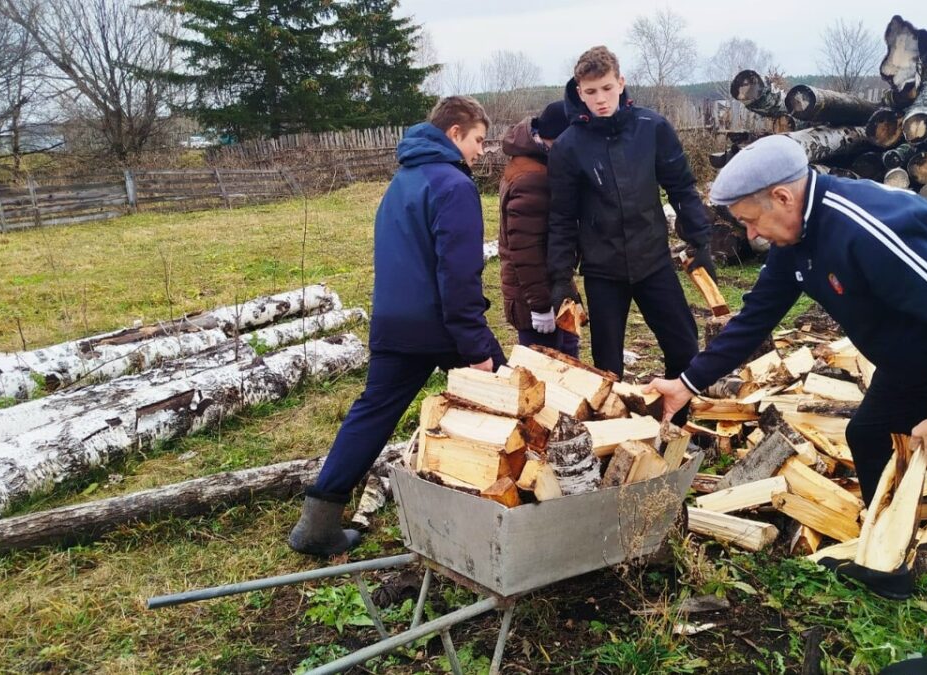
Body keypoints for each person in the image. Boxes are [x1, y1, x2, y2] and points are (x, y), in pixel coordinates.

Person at [646, 135, 927, 675]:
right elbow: (757, 316)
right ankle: (888, 559)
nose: (751, 235)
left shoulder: (869, 228)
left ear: (782, 197)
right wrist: (688, 382)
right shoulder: (796, 238)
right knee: (870, 434)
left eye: (751, 221)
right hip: (917, 356)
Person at [289, 96, 506, 557]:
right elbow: (458, 276)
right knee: (504, 396)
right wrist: (476, 347)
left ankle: (317, 521)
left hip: (394, 320)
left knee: (372, 413)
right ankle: (491, 512)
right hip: (441, 326)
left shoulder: (402, 180)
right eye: (478, 140)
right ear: (455, 134)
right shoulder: (454, 185)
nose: (481, 151)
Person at [546, 46, 714, 406]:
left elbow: (681, 187)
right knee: (607, 367)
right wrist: (561, 277)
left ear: (620, 83)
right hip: (603, 270)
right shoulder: (567, 147)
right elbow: (561, 218)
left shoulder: (651, 128)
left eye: (607, 88)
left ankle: (674, 423)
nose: (600, 99)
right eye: (591, 92)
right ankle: (616, 430)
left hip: (653, 260)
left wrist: (700, 242)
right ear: (579, 92)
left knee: (684, 346)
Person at [497, 100, 579, 357]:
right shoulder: (533, 177)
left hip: (552, 288)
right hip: (535, 295)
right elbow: (526, 249)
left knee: (568, 358)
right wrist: (541, 306)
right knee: (544, 368)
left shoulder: (537, 163)